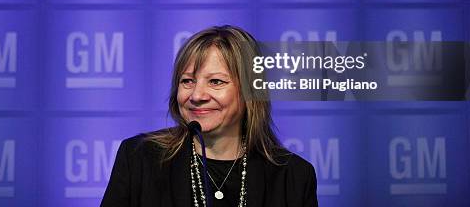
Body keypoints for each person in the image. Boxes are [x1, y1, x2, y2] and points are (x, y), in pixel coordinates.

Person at [101, 25, 318, 207]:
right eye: (187, 81)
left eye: (216, 82)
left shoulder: (294, 176)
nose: (196, 95)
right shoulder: (139, 158)